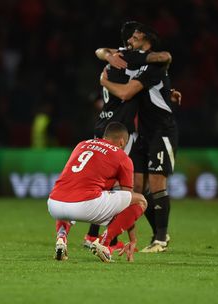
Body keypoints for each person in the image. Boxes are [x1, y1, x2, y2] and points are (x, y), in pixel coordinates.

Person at [83, 21, 173, 251]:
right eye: (130, 37)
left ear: (145, 38)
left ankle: (159, 238)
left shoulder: (141, 61)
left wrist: (104, 73)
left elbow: (164, 58)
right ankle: (104, 237)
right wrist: (107, 55)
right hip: (127, 130)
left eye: (136, 36)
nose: (132, 40)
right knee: (129, 188)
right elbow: (101, 51)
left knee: (141, 185)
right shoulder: (126, 57)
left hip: (154, 130)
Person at [47, 122, 147, 263]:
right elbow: (129, 200)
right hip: (84, 205)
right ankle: (104, 243)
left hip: (54, 204)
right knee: (141, 200)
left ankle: (61, 237)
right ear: (122, 141)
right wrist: (133, 239)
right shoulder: (122, 157)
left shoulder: (81, 144)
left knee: (68, 190)